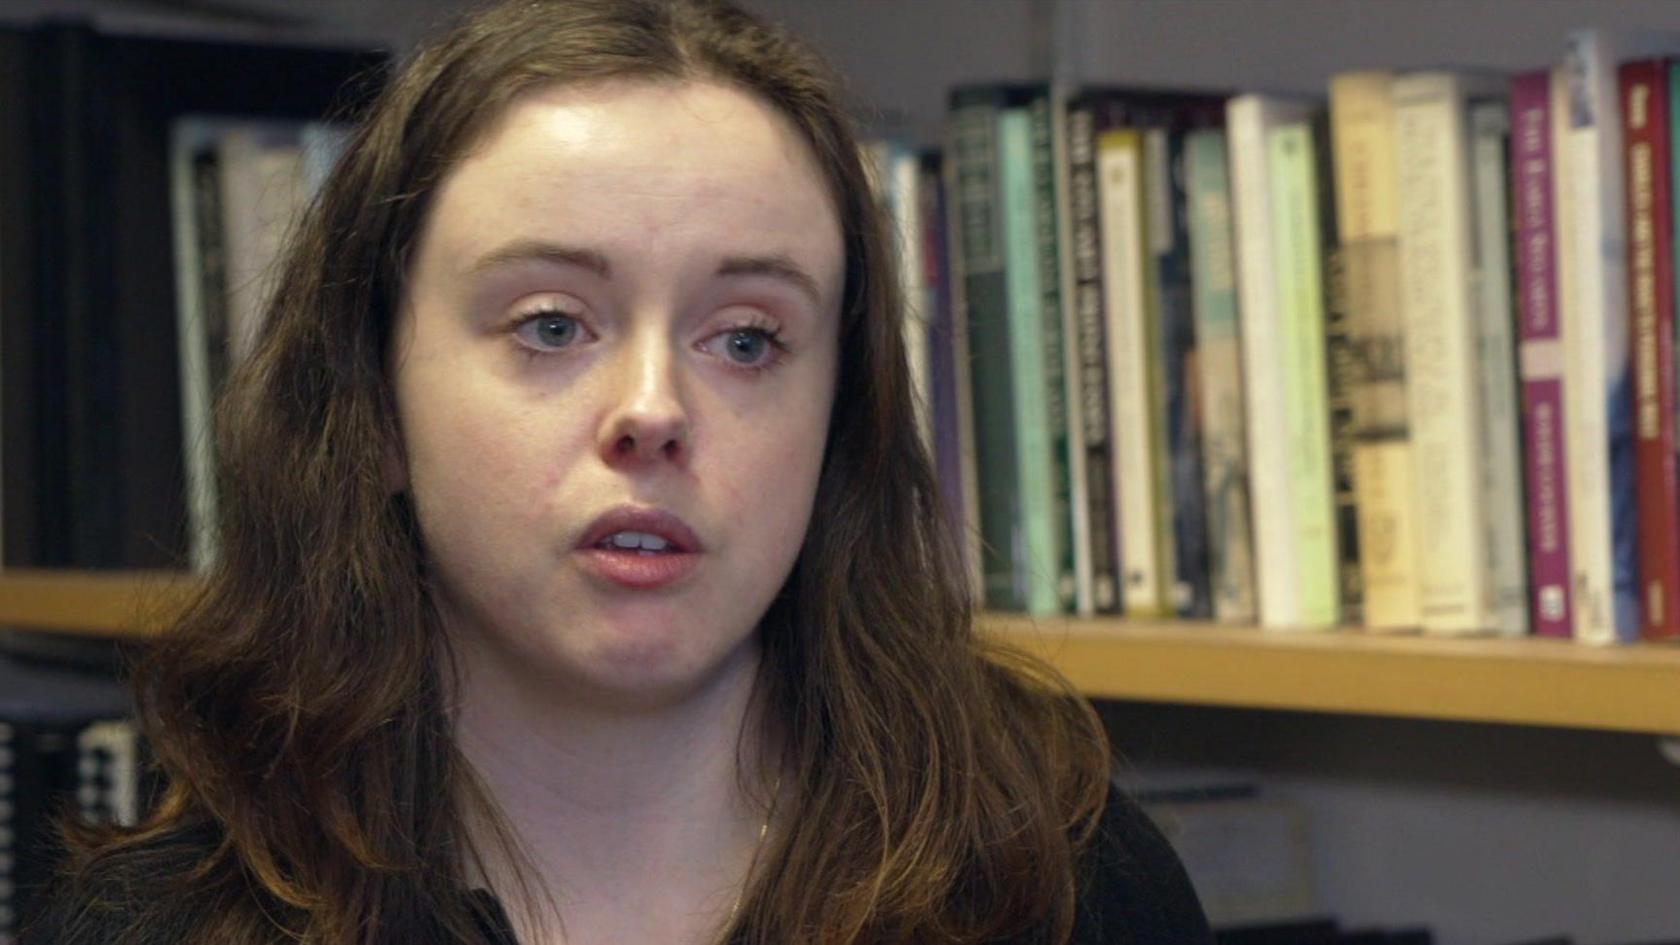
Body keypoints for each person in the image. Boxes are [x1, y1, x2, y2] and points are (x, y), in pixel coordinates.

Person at [24, 1, 1212, 943]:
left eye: (746, 339)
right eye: (551, 324)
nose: (653, 412)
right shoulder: (161, 926)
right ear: (375, 407)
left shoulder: (1066, 890)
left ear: (839, 423)